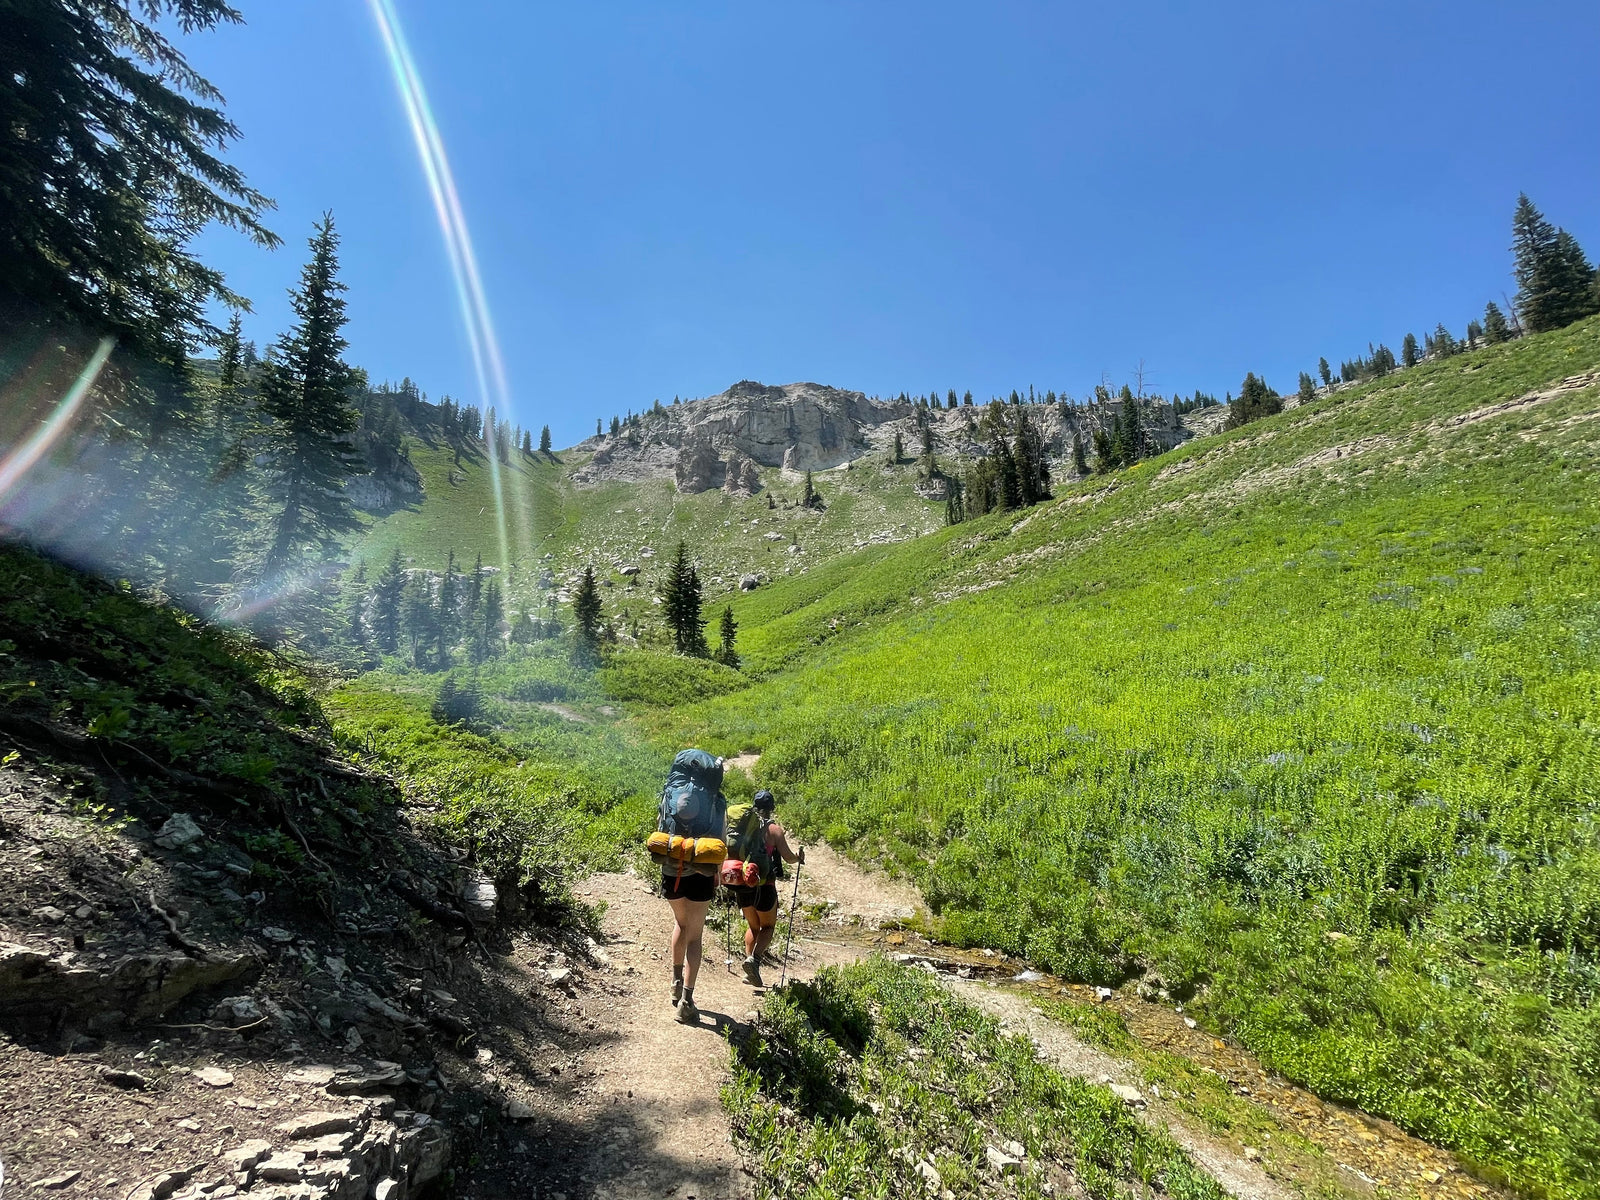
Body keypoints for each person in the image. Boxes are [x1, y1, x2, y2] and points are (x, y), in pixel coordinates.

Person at [730, 788, 804, 988]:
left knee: (753, 927)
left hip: (743, 885)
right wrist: (798, 858)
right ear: (772, 808)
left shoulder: (745, 826)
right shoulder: (774, 830)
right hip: (765, 886)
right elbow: (788, 858)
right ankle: (754, 960)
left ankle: (749, 969)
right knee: (768, 927)